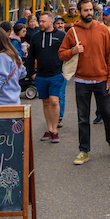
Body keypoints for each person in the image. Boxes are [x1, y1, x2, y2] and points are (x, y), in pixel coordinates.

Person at [58, 0, 110, 164]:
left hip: (102, 79)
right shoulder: (72, 32)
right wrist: (73, 50)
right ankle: (84, 150)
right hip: (82, 81)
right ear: (79, 12)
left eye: (90, 10)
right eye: (85, 10)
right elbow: (61, 54)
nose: (89, 13)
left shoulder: (102, 29)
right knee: (83, 117)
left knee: (108, 114)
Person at [27, 11, 67, 142]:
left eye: (43, 21)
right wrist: (32, 73)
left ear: (51, 22)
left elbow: (68, 55)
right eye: (40, 21)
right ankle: (49, 129)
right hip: (40, 75)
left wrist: (65, 72)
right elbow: (31, 55)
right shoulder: (36, 37)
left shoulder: (61, 36)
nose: (40, 23)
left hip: (56, 74)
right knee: (45, 102)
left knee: (54, 101)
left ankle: (55, 130)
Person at [0, 26, 26, 105]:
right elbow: (23, 73)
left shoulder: (2, 58)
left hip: (2, 102)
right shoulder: (15, 55)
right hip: (15, 101)